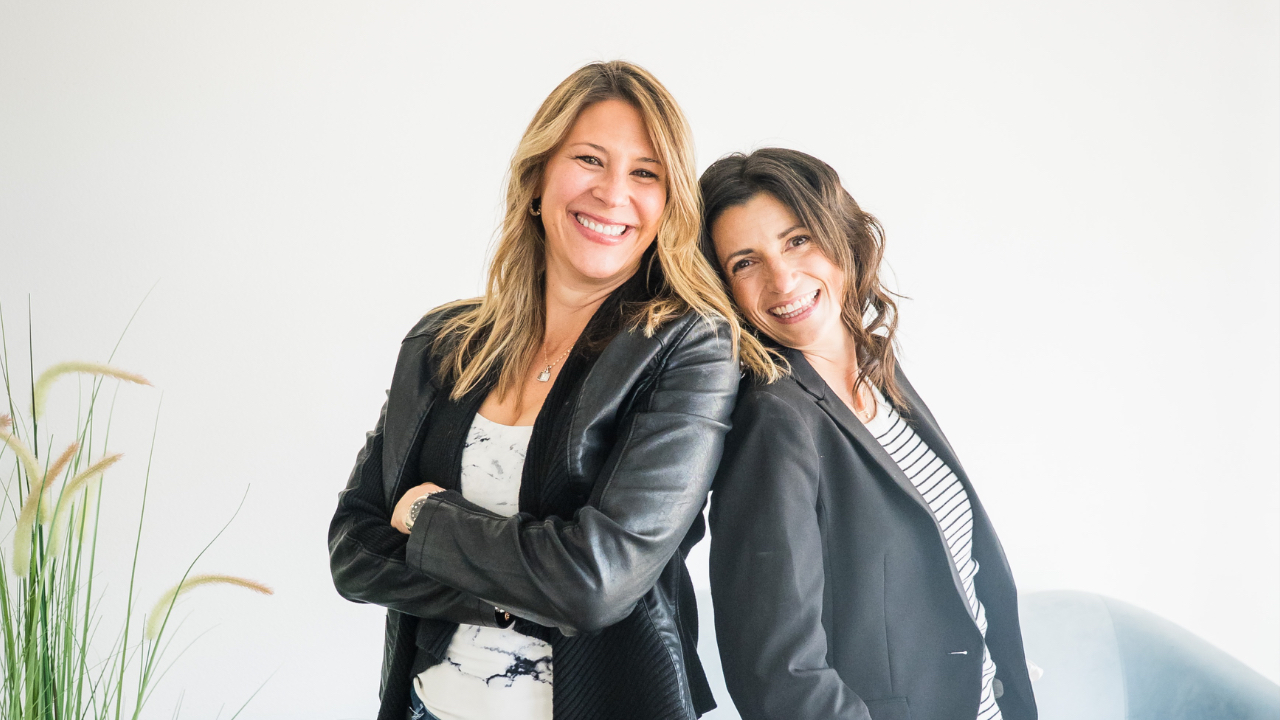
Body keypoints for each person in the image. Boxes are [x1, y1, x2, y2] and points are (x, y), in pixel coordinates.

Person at [328, 61, 776, 720]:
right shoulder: (440, 342)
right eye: (589, 159)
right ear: (538, 178)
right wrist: (525, 587)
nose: (613, 192)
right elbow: (353, 550)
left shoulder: (688, 349)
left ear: (668, 204)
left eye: (645, 173)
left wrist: (428, 519)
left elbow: (597, 583)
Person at [700, 148, 1038, 720]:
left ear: (841, 238)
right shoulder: (774, 421)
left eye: (797, 239)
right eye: (745, 262)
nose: (782, 278)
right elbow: (778, 673)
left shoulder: (879, 371)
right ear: (723, 287)